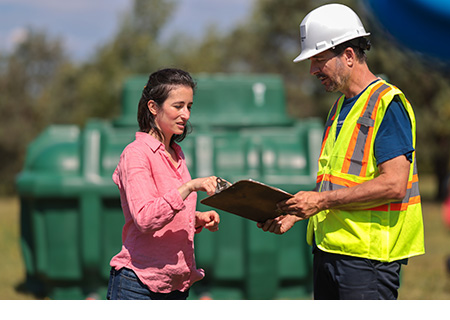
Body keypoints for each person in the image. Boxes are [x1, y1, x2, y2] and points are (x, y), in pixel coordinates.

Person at [257, 3, 424, 300]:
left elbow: (394, 184)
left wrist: (320, 201)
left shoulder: (387, 103)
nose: (312, 70)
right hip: (330, 254)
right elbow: (336, 179)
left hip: (367, 262)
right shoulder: (339, 108)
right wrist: (295, 214)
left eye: (319, 59)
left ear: (348, 55)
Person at [107, 68, 220, 300]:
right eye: (178, 106)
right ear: (153, 107)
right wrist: (189, 187)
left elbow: (166, 208)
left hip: (176, 286)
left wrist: (195, 218)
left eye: (189, 106)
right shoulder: (136, 154)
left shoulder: (176, 154)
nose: (186, 114)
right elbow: (145, 218)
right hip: (137, 286)